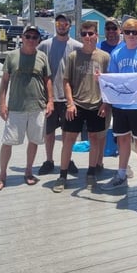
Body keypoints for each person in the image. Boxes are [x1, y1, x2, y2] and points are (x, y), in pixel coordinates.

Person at [0, 25, 53, 191]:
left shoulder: (42, 57)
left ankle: (28, 171)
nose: (31, 40)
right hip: (16, 107)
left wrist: (50, 101)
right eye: (28, 36)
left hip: (38, 106)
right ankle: (2, 175)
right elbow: (5, 81)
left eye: (34, 37)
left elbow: (47, 80)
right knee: (8, 142)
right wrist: (2, 103)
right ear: (22, 37)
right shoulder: (11, 56)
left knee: (34, 141)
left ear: (38, 40)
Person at [52, 21, 110, 193]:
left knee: (94, 139)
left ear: (96, 35)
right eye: (84, 34)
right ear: (80, 36)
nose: (87, 37)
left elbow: (109, 83)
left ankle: (91, 173)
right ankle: (62, 175)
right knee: (68, 139)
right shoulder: (73, 56)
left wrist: (105, 103)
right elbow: (66, 80)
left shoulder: (104, 57)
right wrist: (70, 103)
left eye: (90, 33)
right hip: (76, 105)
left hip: (96, 105)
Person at [100, 18, 137, 197]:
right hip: (120, 105)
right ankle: (121, 174)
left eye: (135, 32)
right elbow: (112, 77)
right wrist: (101, 79)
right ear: (122, 33)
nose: (131, 35)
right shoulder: (116, 53)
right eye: (128, 32)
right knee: (122, 140)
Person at [37, 13, 82, 176]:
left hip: (69, 98)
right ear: (55, 25)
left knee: (67, 133)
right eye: (59, 24)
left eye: (65, 24)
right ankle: (49, 160)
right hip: (50, 97)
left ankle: (67, 160)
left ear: (70, 26)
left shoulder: (77, 46)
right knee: (49, 132)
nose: (62, 26)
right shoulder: (44, 45)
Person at [95, 17, 130, 175]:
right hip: (103, 98)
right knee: (101, 131)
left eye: (114, 28)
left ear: (119, 30)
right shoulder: (98, 47)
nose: (110, 31)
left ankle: (124, 165)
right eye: (107, 28)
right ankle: (99, 162)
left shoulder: (127, 46)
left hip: (123, 98)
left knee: (124, 135)